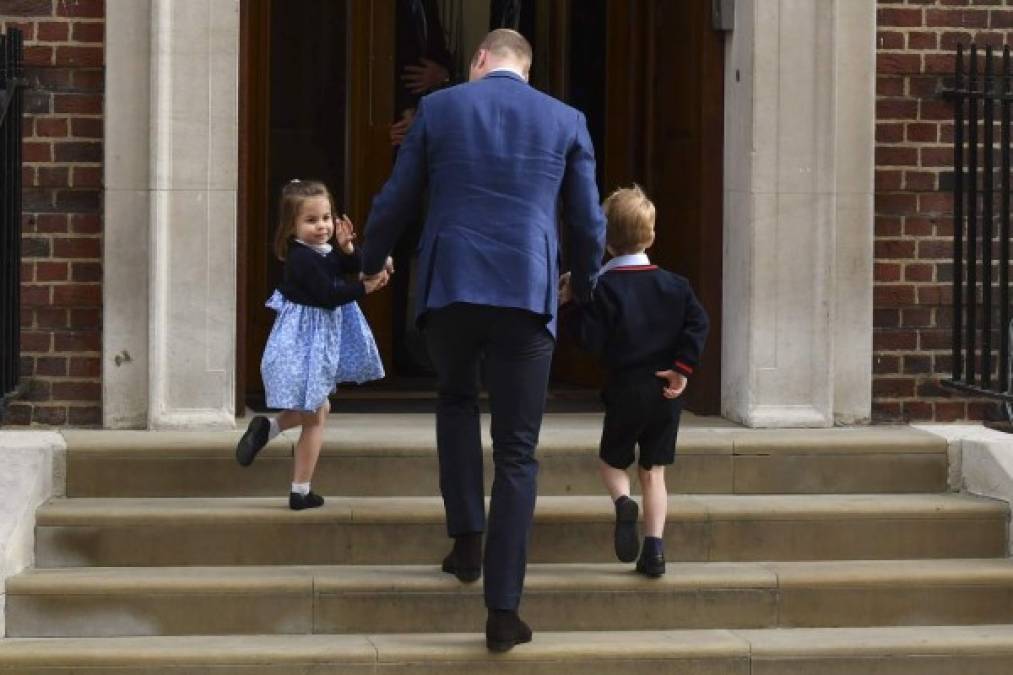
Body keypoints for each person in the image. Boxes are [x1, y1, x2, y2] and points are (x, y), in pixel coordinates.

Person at [360, 29, 605, 652]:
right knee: (518, 451)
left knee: (456, 402)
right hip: (527, 289)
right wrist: (587, 282)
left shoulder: (440, 108)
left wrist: (369, 259)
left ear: (479, 61)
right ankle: (503, 609)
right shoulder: (566, 119)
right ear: (526, 66)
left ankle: (466, 541)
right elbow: (586, 218)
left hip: (452, 288)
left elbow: (398, 195)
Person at [559, 186, 709, 577]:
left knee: (613, 462)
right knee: (654, 471)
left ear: (605, 243)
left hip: (625, 388)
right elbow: (698, 324)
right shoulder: (676, 286)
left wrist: (572, 303)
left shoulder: (603, 289)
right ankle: (655, 550)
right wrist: (682, 368)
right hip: (666, 390)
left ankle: (624, 502)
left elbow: (589, 340)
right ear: (652, 235)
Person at [235, 180, 390, 510]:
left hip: (317, 340)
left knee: (318, 409)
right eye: (311, 221)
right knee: (317, 414)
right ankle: (300, 490)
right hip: (307, 343)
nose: (322, 226)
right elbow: (329, 295)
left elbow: (351, 267)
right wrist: (366, 289)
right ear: (292, 227)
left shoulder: (323, 250)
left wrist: (349, 249)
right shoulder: (302, 259)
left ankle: (268, 429)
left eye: (327, 217)